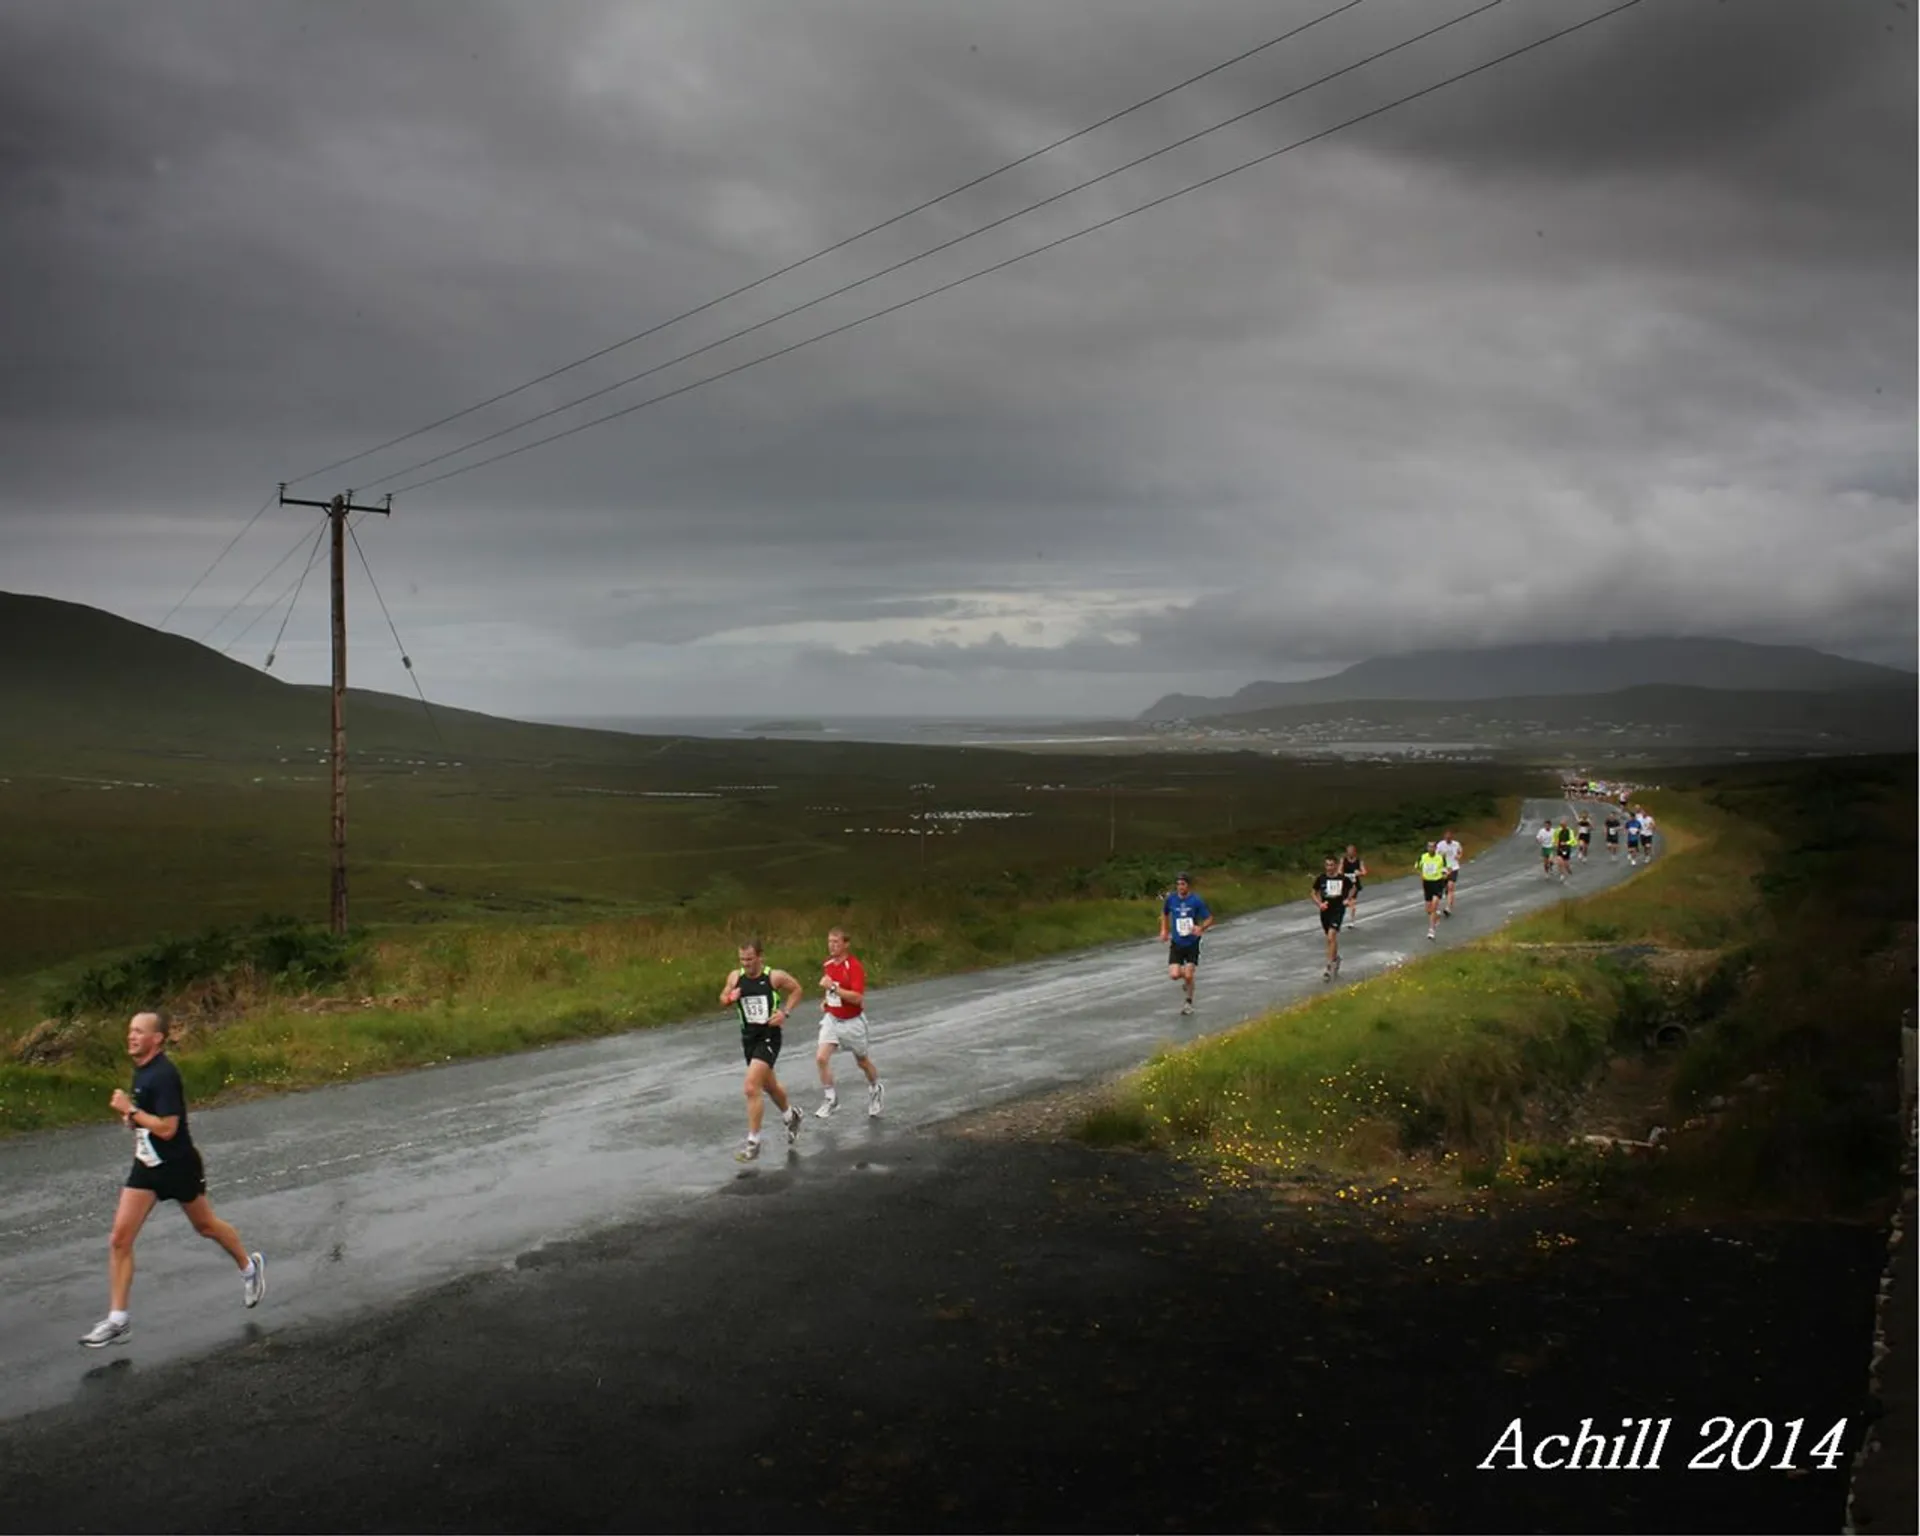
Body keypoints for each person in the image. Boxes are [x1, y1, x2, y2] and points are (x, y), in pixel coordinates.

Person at [79, 1011, 264, 1349]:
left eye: (139, 1031)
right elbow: (150, 1123)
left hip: (178, 1166)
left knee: (206, 1226)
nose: (131, 1036)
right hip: (147, 1167)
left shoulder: (164, 1074)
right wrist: (133, 1120)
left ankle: (249, 1267)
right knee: (120, 1239)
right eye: (130, 1030)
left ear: (157, 1038)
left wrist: (131, 1110)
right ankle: (118, 1320)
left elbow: (168, 1128)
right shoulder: (143, 1071)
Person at [720, 940, 805, 1161]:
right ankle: (791, 1115)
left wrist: (785, 1013)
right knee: (770, 1086)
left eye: (750, 959)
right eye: (742, 960)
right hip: (748, 1039)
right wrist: (730, 998)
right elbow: (723, 998)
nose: (746, 964)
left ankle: (753, 1142)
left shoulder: (774, 976)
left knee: (751, 1087)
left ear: (760, 957)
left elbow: (797, 990)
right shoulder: (735, 977)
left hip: (769, 1036)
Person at [814, 926, 883, 1119]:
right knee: (821, 1058)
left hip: (853, 1022)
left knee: (862, 1061)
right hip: (832, 1019)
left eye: (836, 942)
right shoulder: (828, 964)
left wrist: (833, 988)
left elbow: (857, 998)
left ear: (846, 944)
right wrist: (826, 1001)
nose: (832, 946)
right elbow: (831, 991)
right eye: (830, 941)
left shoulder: (854, 967)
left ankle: (875, 1088)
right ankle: (830, 1099)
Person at [1158, 871, 1214, 1015]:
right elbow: (1164, 914)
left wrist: (1201, 927)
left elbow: (1209, 918)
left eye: (1183, 884)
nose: (1180, 887)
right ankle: (1188, 981)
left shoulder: (1196, 901)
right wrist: (1164, 930)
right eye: (1178, 885)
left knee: (1189, 975)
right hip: (1177, 942)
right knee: (1175, 975)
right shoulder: (1171, 900)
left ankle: (1188, 1002)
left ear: (1188, 886)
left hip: (1192, 942)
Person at [1313, 854, 1356, 980]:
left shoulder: (1342, 879)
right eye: (1327, 865)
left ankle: (1328, 966)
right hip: (1326, 911)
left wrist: (1348, 899)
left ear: (1336, 865)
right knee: (1330, 939)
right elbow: (1313, 892)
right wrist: (1319, 904)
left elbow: (1353, 888)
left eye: (1332, 865)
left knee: (1332, 935)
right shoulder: (1321, 878)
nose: (1329, 867)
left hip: (1338, 910)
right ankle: (1335, 959)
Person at [1418, 841, 1448, 941]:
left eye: (1432, 847)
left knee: (1434, 906)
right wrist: (1422, 880)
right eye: (1429, 847)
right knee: (1428, 910)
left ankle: (1431, 930)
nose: (1430, 849)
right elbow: (1419, 869)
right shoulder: (1423, 857)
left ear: (1435, 848)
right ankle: (1437, 916)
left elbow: (1445, 870)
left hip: (1437, 883)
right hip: (1427, 883)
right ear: (1427, 848)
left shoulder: (1440, 858)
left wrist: (1444, 875)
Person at [1434, 828, 1463, 918]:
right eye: (1446, 837)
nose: (1448, 839)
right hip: (1443, 869)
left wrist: (1458, 856)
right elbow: (1435, 855)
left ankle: (1448, 908)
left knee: (1450, 887)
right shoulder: (1440, 845)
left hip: (1453, 868)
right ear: (1444, 837)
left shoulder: (1456, 844)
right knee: (1442, 889)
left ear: (1452, 837)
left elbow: (1460, 851)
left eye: (1449, 837)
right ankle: (1436, 908)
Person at [1340, 845, 1368, 923]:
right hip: (1345, 883)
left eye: (1352, 852)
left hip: (1354, 884)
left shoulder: (1359, 861)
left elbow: (1364, 872)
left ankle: (1351, 921)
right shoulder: (1343, 860)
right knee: (1344, 902)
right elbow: (1339, 870)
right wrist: (1342, 874)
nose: (1350, 853)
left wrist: (1360, 873)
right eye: (1348, 852)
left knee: (1351, 901)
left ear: (1355, 852)